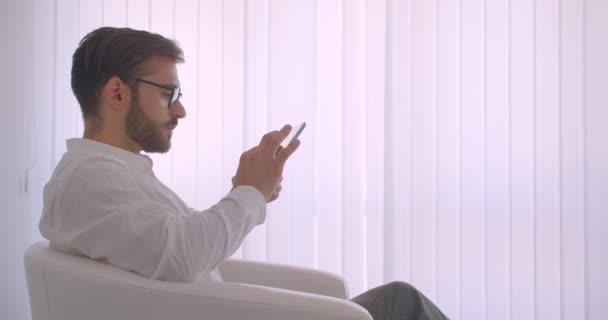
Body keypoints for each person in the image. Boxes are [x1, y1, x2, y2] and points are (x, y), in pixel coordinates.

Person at [39, 27, 448, 320]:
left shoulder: (107, 173)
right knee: (402, 302)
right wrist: (250, 193)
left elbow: (181, 248)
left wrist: (247, 191)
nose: (180, 110)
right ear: (116, 93)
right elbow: (183, 255)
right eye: (169, 94)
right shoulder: (90, 179)